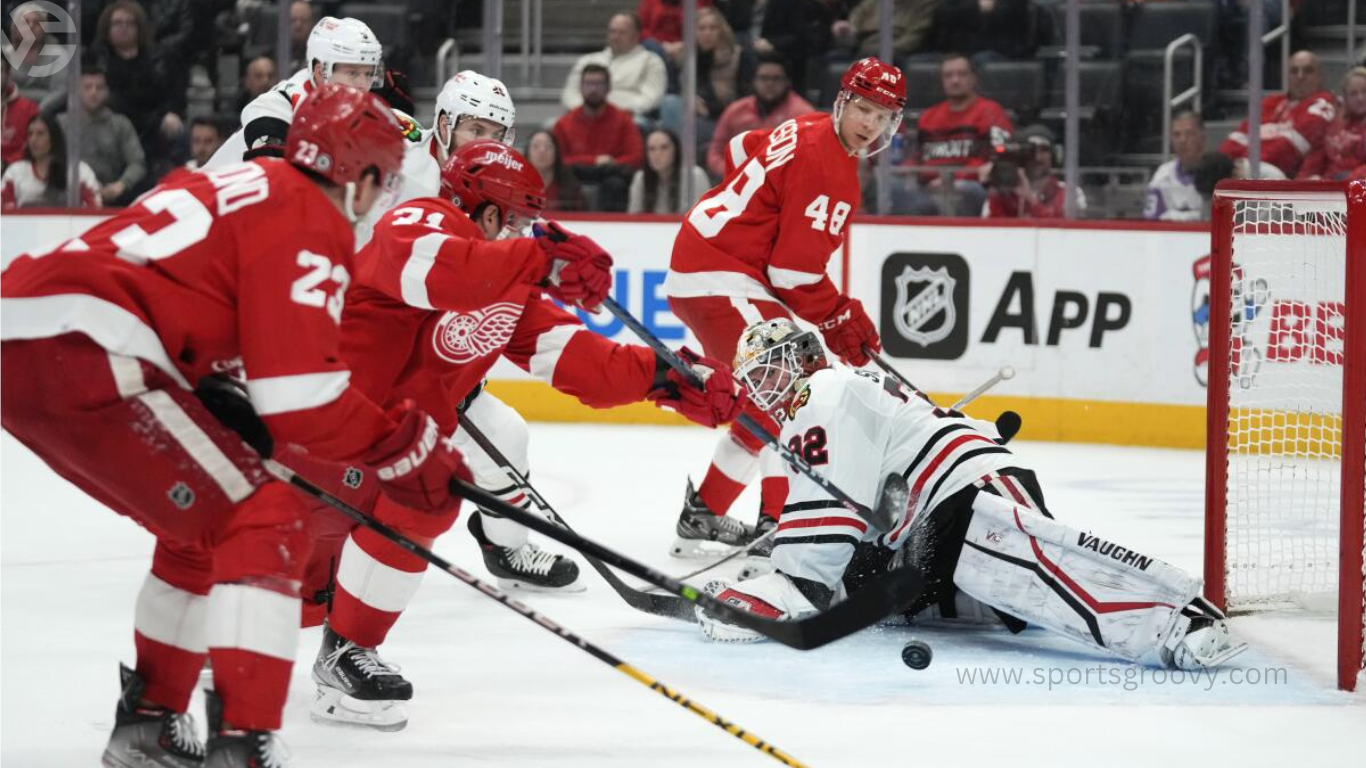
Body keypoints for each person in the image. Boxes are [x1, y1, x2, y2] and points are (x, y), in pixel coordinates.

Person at [1, 83, 469, 768]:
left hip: (33, 334)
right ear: (362, 174)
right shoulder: (312, 215)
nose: (383, 195)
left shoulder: (249, 183)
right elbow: (303, 396)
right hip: (92, 346)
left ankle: (151, 725)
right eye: (385, 178)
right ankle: (242, 743)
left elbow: (219, 334)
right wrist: (405, 448)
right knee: (268, 517)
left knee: (202, 529)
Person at [297, 138, 748, 730]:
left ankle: (345, 653)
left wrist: (668, 380)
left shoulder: (504, 283)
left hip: (384, 448)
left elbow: (576, 360)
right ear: (486, 213)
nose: (524, 232)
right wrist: (536, 260)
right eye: (517, 220)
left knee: (425, 496)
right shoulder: (420, 220)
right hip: (314, 433)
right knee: (248, 600)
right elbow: (436, 268)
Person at [696, 318, 1248, 679]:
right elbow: (854, 501)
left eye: (768, 368)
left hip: (959, 487)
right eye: (753, 378)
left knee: (1033, 571)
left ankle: (1180, 618)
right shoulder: (835, 396)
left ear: (801, 357)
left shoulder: (825, 389)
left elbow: (827, 518)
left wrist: (792, 582)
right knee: (992, 593)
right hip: (927, 513)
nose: (762, 386)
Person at [663, 57, 902, 559]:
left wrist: (755, 210)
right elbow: (791, 275)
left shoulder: (810, 124)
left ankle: (705, 512)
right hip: (721, 272)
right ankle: (779, 524)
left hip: (718, 264)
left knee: (777, 393)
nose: (870, 125)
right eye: (863, 109)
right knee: (792, 392)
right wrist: (839, 316)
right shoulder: (831, 168)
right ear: (844, 102)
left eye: (882, 116)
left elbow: (738, 148)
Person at [207, 16, 385, 167]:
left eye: (369, 74)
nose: (363, 84)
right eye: (352, 73)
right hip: (208, 204)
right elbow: (275, 186)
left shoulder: (358, 113)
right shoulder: (277, 108)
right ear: (319, 72)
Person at [897, 53, 1012, 217]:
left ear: (973, 78)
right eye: (948, 76)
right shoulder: (928, 117)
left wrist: (950, 180)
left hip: (970, 188)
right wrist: (907, 172)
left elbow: (1001, 156)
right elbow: (915, 157)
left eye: (962, 74)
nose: (955, 80)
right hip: (928, 189)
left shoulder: (990, 112)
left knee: (964, 192)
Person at [93, 0, 185, 177]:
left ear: (139, 27)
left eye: (130, 23)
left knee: (182, 133)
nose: (124, 27)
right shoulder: (98, 59)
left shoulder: (157, 58)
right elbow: (112, 99)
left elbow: (171, 92)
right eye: (118, 23)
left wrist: (170, 113)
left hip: (155, 123)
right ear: (107, 28)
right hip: (114, 122)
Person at [1220, 50, 1337, 180]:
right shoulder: (1270, 102)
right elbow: (1237, 138)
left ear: (1321, 76)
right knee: (1213, 167)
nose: (1300, 76)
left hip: (1286, 176)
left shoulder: (1325, 104)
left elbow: (1289, 149)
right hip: (1249, 166)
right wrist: (1231, 163)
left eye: (1308, 71)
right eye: (1294, 71)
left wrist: (1244, 163)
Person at [553, 64, 645, 212]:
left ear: (608, 88)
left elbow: (636, 155)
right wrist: (593, 161)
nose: (593, 89)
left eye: (599, 84)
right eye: (589, 84)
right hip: (576, 175)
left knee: (616, 183)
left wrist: (613, 163)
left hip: (611, 174)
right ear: (581, 87)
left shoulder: (623, 120)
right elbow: (557, 159)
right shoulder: (564, 124)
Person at [660, 6, 756, 146]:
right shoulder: (684, 57)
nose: (707, 33)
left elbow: (745, 99)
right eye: (702, 28)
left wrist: (708, 107)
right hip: (690, 115)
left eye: (713, 28)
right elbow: (674, 89)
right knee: (669, 103)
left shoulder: (739, 57)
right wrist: (690, 100)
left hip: (724, 119)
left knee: (693, 127)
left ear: (721, 31)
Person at [706, 53, 814, 178]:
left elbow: (810, 160)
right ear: (754, 81)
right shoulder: (736, 110)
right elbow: (715, 152)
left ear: (787, 82)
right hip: (736, 182)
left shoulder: (803, 114)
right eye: (763, 78)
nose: (769, 83)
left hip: (783, 185)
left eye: (776, 78)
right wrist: (732, 174)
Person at [56, 62, 146, 206]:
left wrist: (120, 185)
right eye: (87, 87)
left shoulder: (120, 124)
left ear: (107, 92)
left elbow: (137, 162)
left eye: (99, 87)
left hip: (112, 198)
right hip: (68, 197)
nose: (93, 92)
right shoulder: (60, 124)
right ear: (76, 91)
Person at [560, 12, 668, 118]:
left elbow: (651, 98)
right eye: (612, 31)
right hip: (586, 115)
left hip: (630, 118)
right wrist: (589, 110)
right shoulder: (586, 61)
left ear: (636, 36)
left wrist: (613, 114)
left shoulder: (651, 61)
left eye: (622, 32)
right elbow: (570, 93)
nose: (615, 37)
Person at [982, 124, 1084, 218]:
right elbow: (992, 231)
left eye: (1044, 150)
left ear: (1055, 155)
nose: (1037, 157)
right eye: (1030, 152)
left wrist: (1031, 200)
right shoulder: (1005, 193)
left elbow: (1067, 231)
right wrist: (994, 192)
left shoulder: (1070, 193)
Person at [2, 113, 101, 209]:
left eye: (40, 134)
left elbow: (94, 209)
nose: (33, 139)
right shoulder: (15, 172)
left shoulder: (78, 171)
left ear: (54, 138)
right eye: (30, 134)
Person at [1297, 67, 1366, 181]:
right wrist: (1303, 180)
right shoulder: (1333, 125)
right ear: (1345, 97)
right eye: (1353, 93)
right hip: (1329, 185)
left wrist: (1349, 179)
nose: (1360, 98)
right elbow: (1315, 160)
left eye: (1365, 91)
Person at [630, 127, 711, 213]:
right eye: (651, 149)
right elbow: (634, 219)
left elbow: (703, 217)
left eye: (664, 148)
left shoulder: (694, 176)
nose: (657, 154)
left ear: (675, 150)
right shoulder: (640, 178)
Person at [1145, 110, 1206, 221]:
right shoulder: (1162, 174)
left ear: (1202, 138)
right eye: (1177, 135)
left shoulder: (1217, 173)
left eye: (1189, 134)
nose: (1182, 140)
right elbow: (1151, 222)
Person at [831, 0, 938, 59]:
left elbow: (914, 38)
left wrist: (884, 50)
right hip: (863, 50)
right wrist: (845, 31)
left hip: (898, 52)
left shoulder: (924, 5)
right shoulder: (871, 3)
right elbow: (853, 25)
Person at [526, 128, 586, 211]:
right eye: (536, 146)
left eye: (548, 146)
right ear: (527, 153)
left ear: (556, 152)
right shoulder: (517, 186)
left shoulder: (571, 187)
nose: (542, 150)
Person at [2, 50, 40, 165]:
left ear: (8, 75)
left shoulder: (29, 109)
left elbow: (34, 146)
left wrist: (6, 163)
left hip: (17, 172)